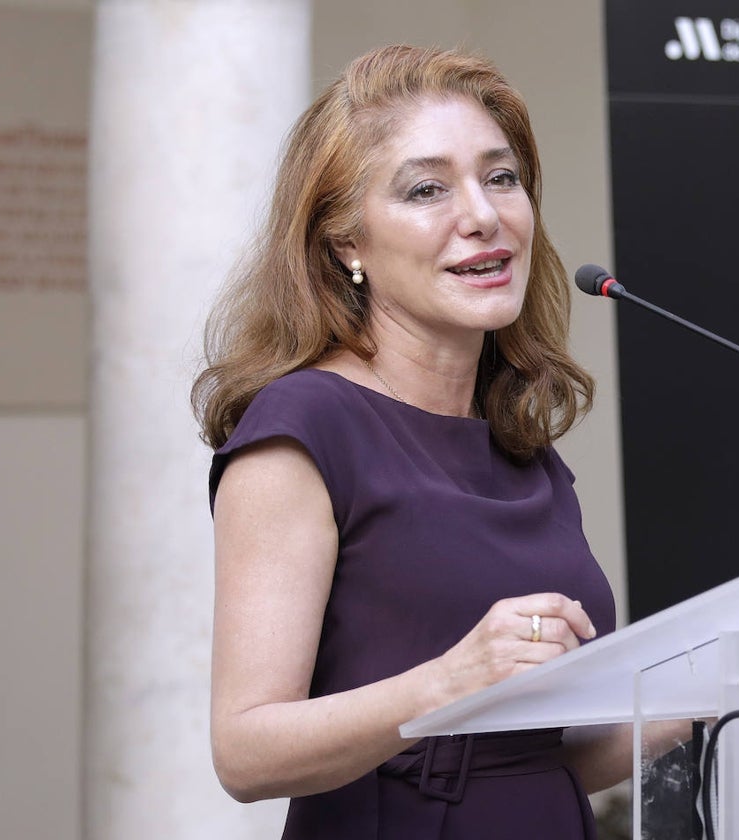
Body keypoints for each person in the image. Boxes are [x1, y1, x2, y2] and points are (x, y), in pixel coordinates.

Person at [192, 45, 630, 838]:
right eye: (427, 189)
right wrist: (452, 680)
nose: (484, 215)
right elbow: (245, 753)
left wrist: (713, 689)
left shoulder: (518, 447)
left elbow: (535, 756)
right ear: (344, 244)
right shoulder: (303, 430)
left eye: (501, 177)